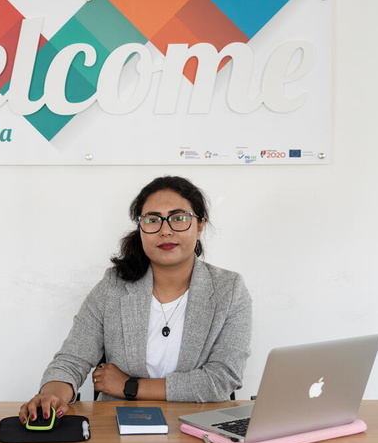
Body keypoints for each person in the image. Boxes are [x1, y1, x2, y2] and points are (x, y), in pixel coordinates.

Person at [19, 176, 252, 424]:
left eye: (178, 218)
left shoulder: (230, 290)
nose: (165, 230)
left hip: (199, 429)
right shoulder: (114, 286)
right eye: (152, 220)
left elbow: (221, 380)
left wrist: (130, 387)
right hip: (119, 429)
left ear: (200, 226)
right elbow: (72, 359)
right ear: (141, 229)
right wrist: (52, 394)